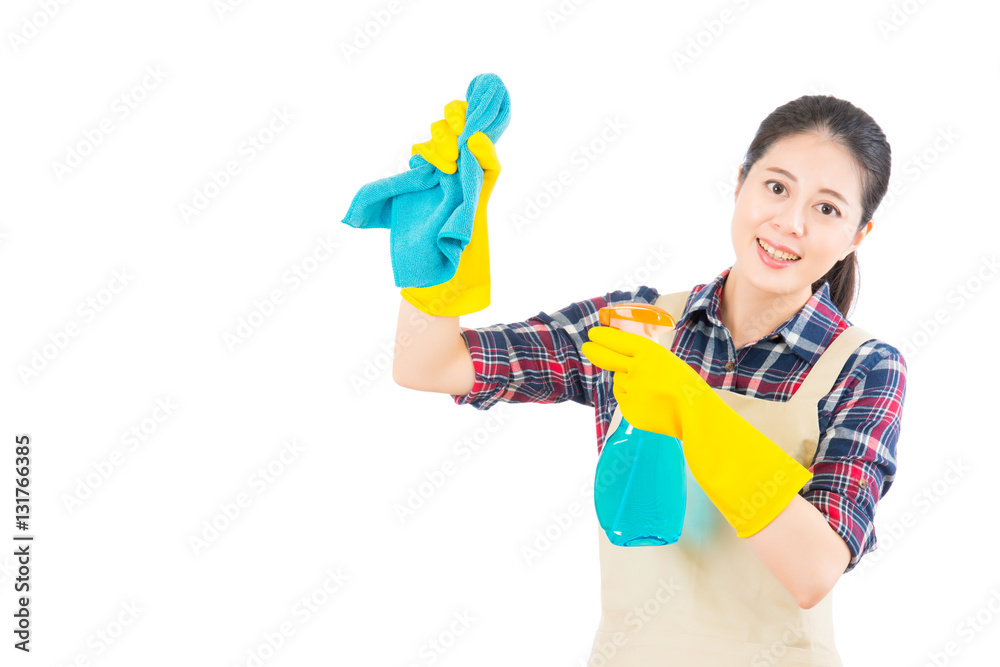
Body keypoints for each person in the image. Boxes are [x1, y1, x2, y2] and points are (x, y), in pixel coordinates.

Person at [392, 94, 906, 666]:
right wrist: (432, 256)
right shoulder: (634, 326)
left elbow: (814, 568)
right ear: (741, 182)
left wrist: (690, 404)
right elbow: (430, 365)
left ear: (858, 234)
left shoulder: (863, 367)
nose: (790, 223)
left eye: (828, 209)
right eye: (777, 187)